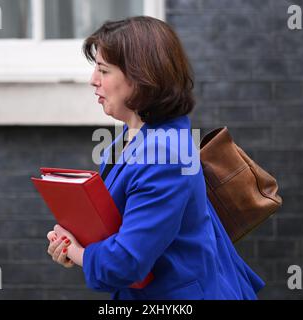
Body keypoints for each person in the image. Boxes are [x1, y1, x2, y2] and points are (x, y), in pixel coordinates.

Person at [46, 16, 265, 300]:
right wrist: (76, 247)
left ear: (140, 77)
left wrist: (80, 253)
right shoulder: (129, 137)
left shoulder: (164, 158)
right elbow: (120, 227)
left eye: (103, 70)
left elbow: (126, 264)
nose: (93, 80)